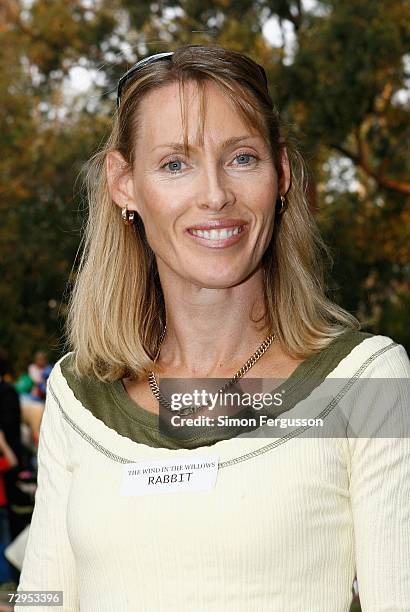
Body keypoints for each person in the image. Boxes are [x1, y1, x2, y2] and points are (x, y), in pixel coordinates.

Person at [17, 45, 409, 611]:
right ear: (124, 183)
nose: (215, 194)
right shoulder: (78, 394)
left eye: (241, 158)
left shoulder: (364, 381)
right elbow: (43, 599)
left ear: (282, 173)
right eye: (175, 164)